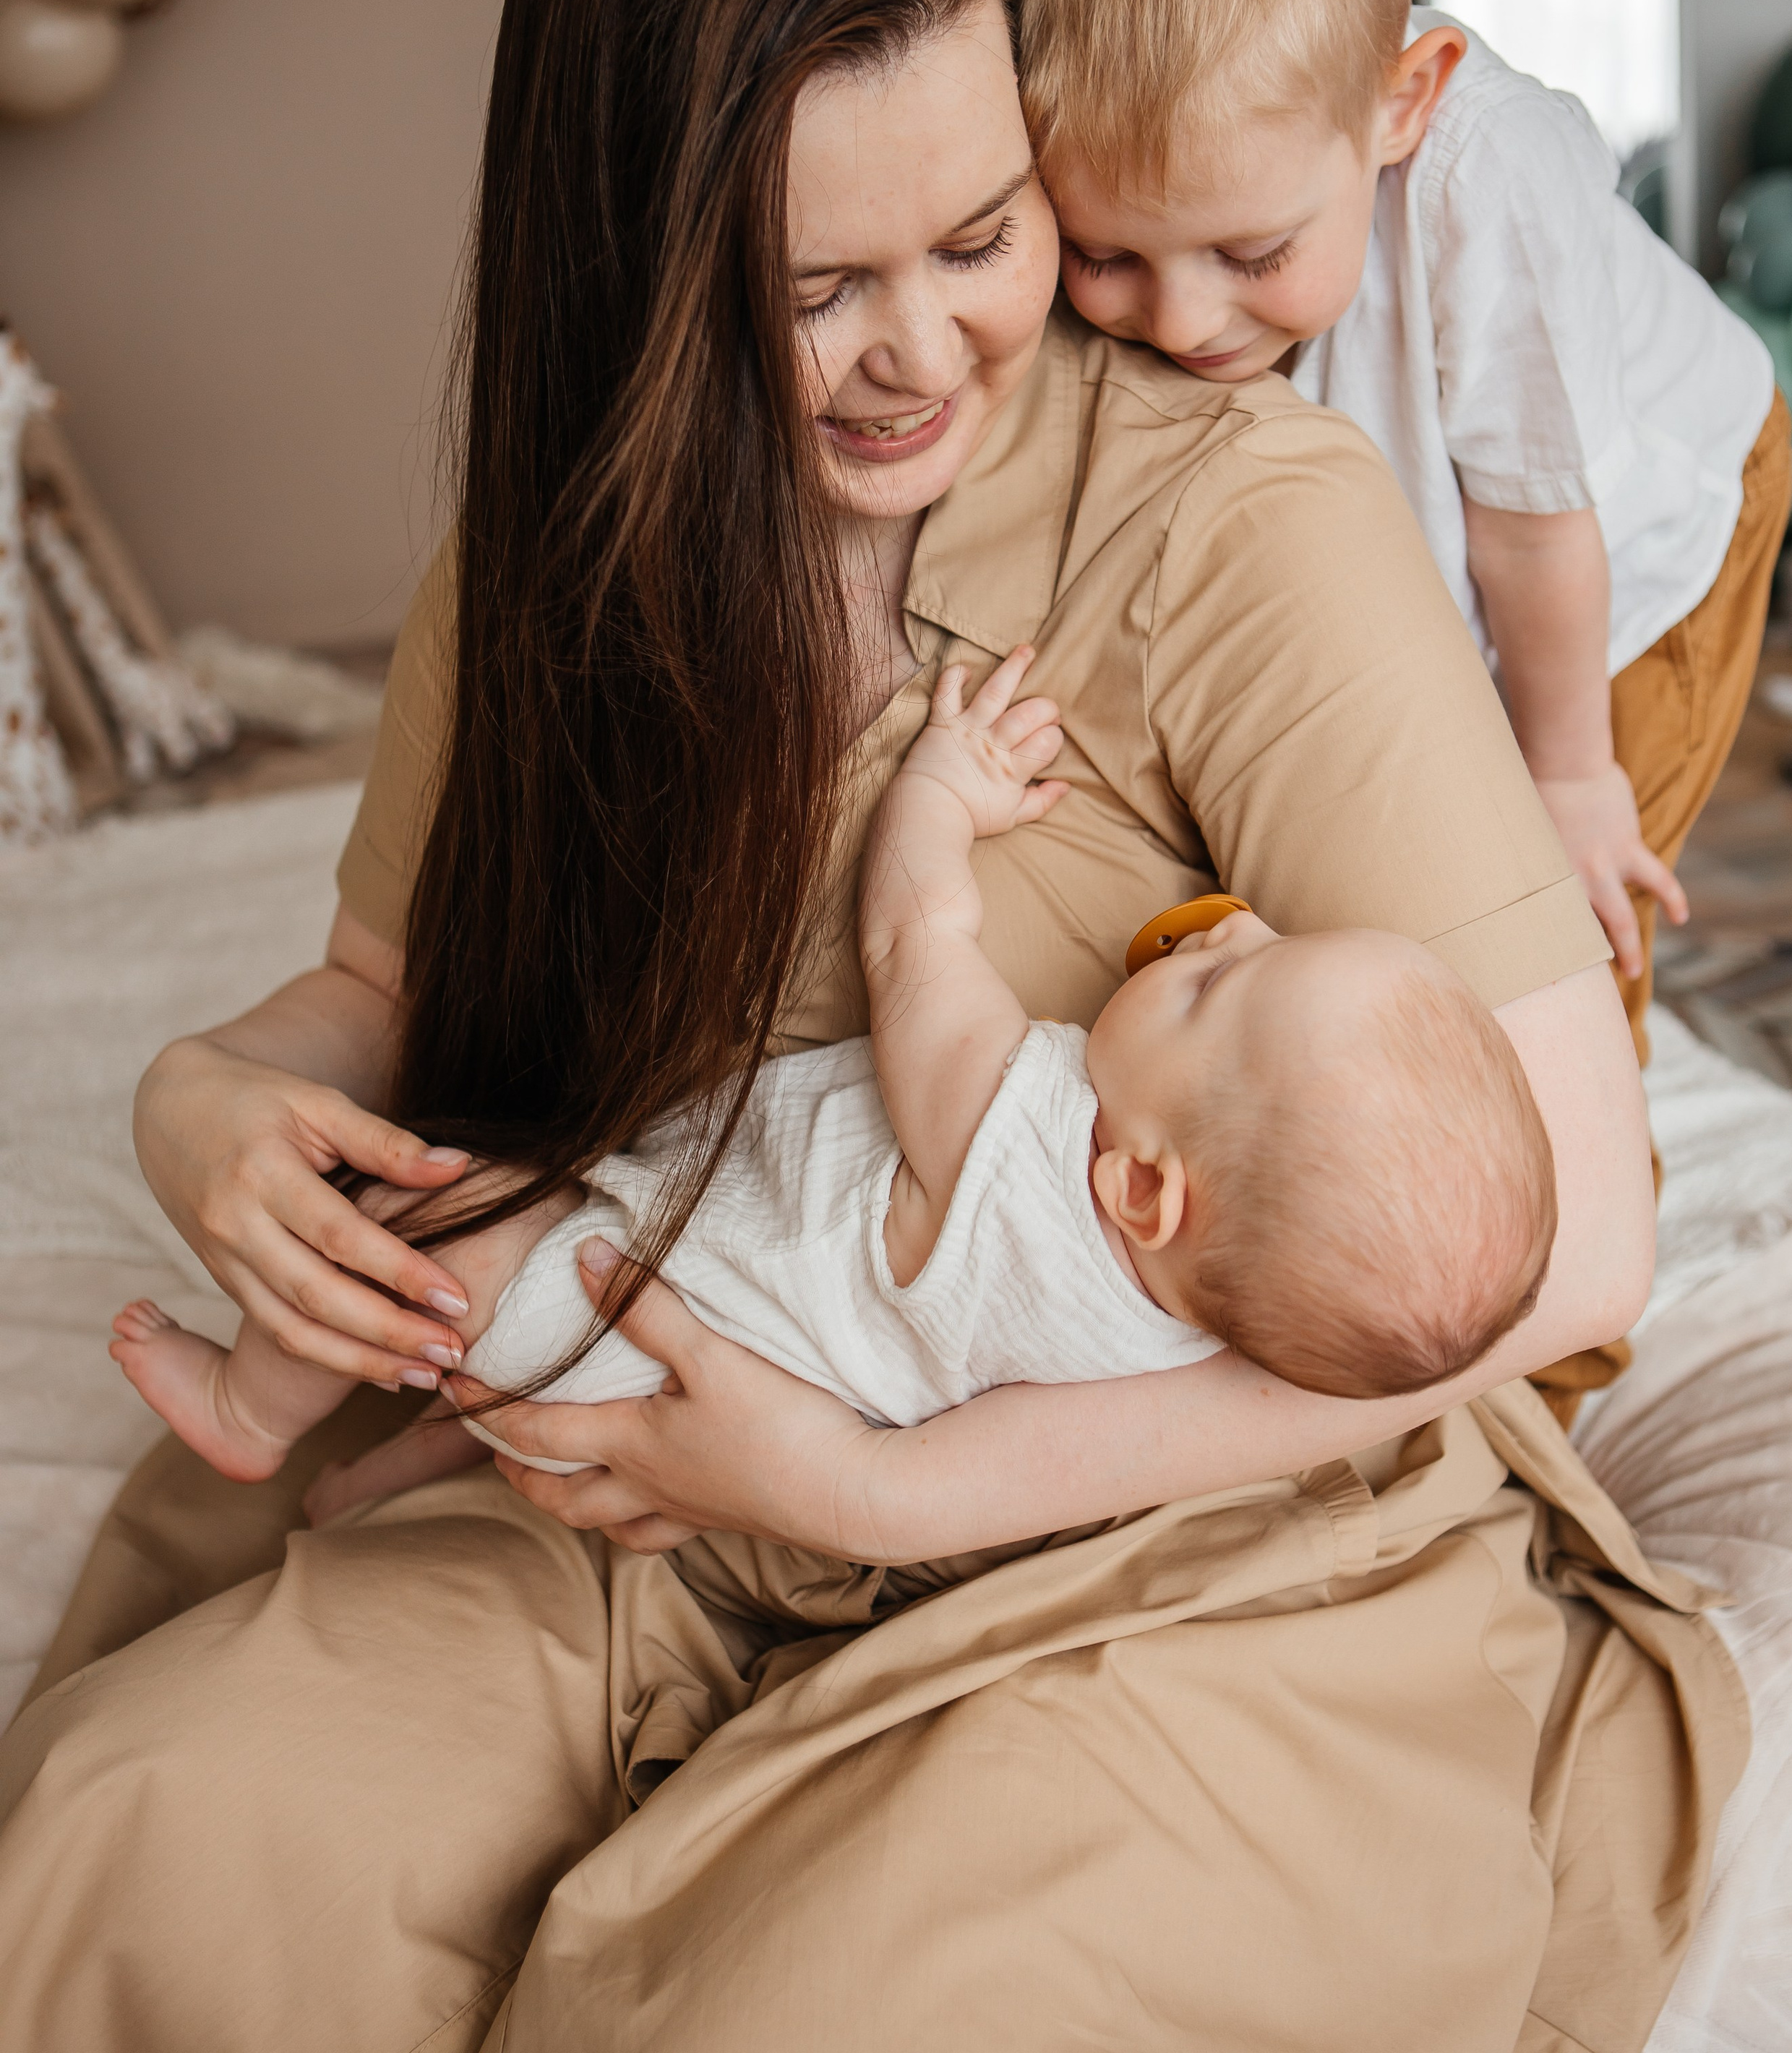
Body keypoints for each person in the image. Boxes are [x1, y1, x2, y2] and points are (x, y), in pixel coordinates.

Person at [0, 0, 1741, 2053]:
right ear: (641, 258)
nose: (924, 348)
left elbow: (1573, 1235)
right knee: (139, 1856)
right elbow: (383, 993)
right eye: (816, 290)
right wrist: (209, 1094)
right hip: (675, 1450)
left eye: (987, 234)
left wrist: (896, 1494)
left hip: (1189, 1517)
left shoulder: (1237, 523)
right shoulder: (561, 553)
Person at [1008, 0, 1792, 1380]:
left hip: (1634, 539)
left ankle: (1552, 1307)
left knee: (1533, 919)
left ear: (1396, 100)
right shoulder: (1209, 219)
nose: (1181, 318)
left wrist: (1566, 775)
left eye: (1245, 249)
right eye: (1107, 258)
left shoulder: (1480, 178)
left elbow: (1531, 528)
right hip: (1460, 535)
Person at [128, 644, 1556, 1529]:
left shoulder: (1011, 1138)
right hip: (717, 1382)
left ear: (1139, 1183)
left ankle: (250, 1415)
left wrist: (945, 786)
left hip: (625, 1306)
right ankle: (397, 1469)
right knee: (497, 1340)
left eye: (1215, 985)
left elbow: (907, 936)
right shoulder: (1178, 1337)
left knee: (420, 1222)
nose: (1234, 925)